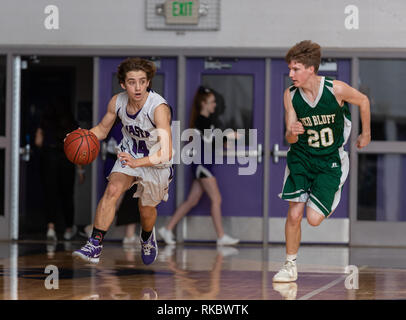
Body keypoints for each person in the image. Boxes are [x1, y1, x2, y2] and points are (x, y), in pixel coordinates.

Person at [273, 40, 371, 282]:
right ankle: (289, 264)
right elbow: (289, 138)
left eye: (295, 69)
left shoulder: (336, 89)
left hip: (330, 160)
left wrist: (366, 133)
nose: (290, 74)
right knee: (294, 213)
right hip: (302, 158)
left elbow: (364, 101)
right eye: (290, 69)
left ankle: (325, 196)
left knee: (314, 219)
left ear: (311, 69)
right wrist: (293, 132)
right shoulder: (290, 95)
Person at [72, 57, 173, 265]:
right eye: (132, 82)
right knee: (113, 190)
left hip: (156, 161)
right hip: (130, 153)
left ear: (148, 83)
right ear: (123, 84)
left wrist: (140, 163)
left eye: (142, 81)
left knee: (146, 211)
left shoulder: (158, 108)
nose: (137, 87)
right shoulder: (117, 102)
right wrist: (77, 137)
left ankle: (146, 237)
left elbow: (167, 152)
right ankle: (95, 244)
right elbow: (101, 130)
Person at [159, 86, 239, 246]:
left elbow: (214, 142)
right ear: (203, 103)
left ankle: (167, 229)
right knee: (216, 199)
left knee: (192, 200)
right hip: (202, 166)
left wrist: (226, 141)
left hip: (203, 165)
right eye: (211, 102)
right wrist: (229, 136)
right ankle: (221, 236)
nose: (214, 105)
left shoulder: (208, 122)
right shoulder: (202, 121)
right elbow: (213, 139)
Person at [35, 103, 85, 241]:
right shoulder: (72, 124)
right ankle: (68, 229)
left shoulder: (45, 122)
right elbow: (77, 148)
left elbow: (38, 141)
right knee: (67, 195)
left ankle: (50, 228)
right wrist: (81, 170)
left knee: (50, 193)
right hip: (67, 160)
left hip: (49, 159)